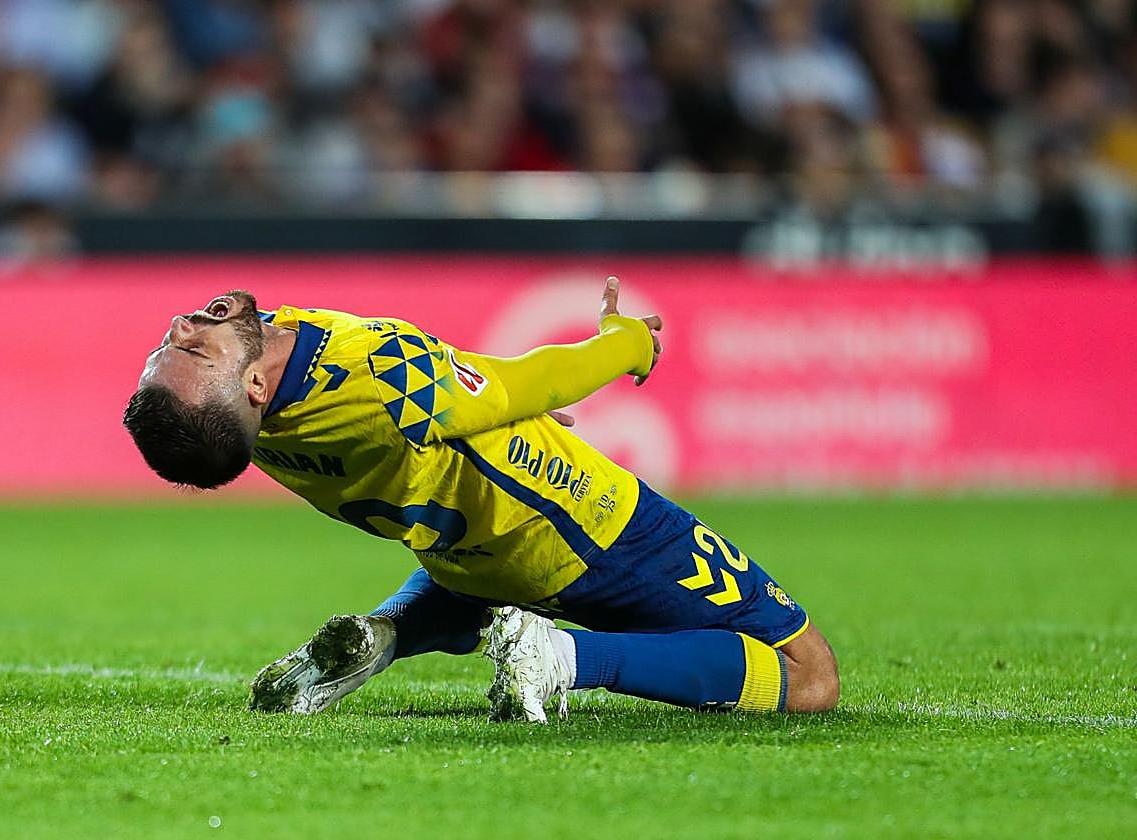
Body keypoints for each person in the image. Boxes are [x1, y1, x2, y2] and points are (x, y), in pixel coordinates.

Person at [122, 278, 839, 722]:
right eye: (194, 350)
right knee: (808, 676)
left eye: (169, 343)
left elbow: (452, 393)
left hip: (463, 557)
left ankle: (383, 636)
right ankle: (562, 660)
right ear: (252, 388)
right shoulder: (375, 379)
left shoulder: (250, 425)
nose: (183, 326)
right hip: (580, 523)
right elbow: (533, 381)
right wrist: (624, 345)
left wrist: (484, 408)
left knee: (468, 575)